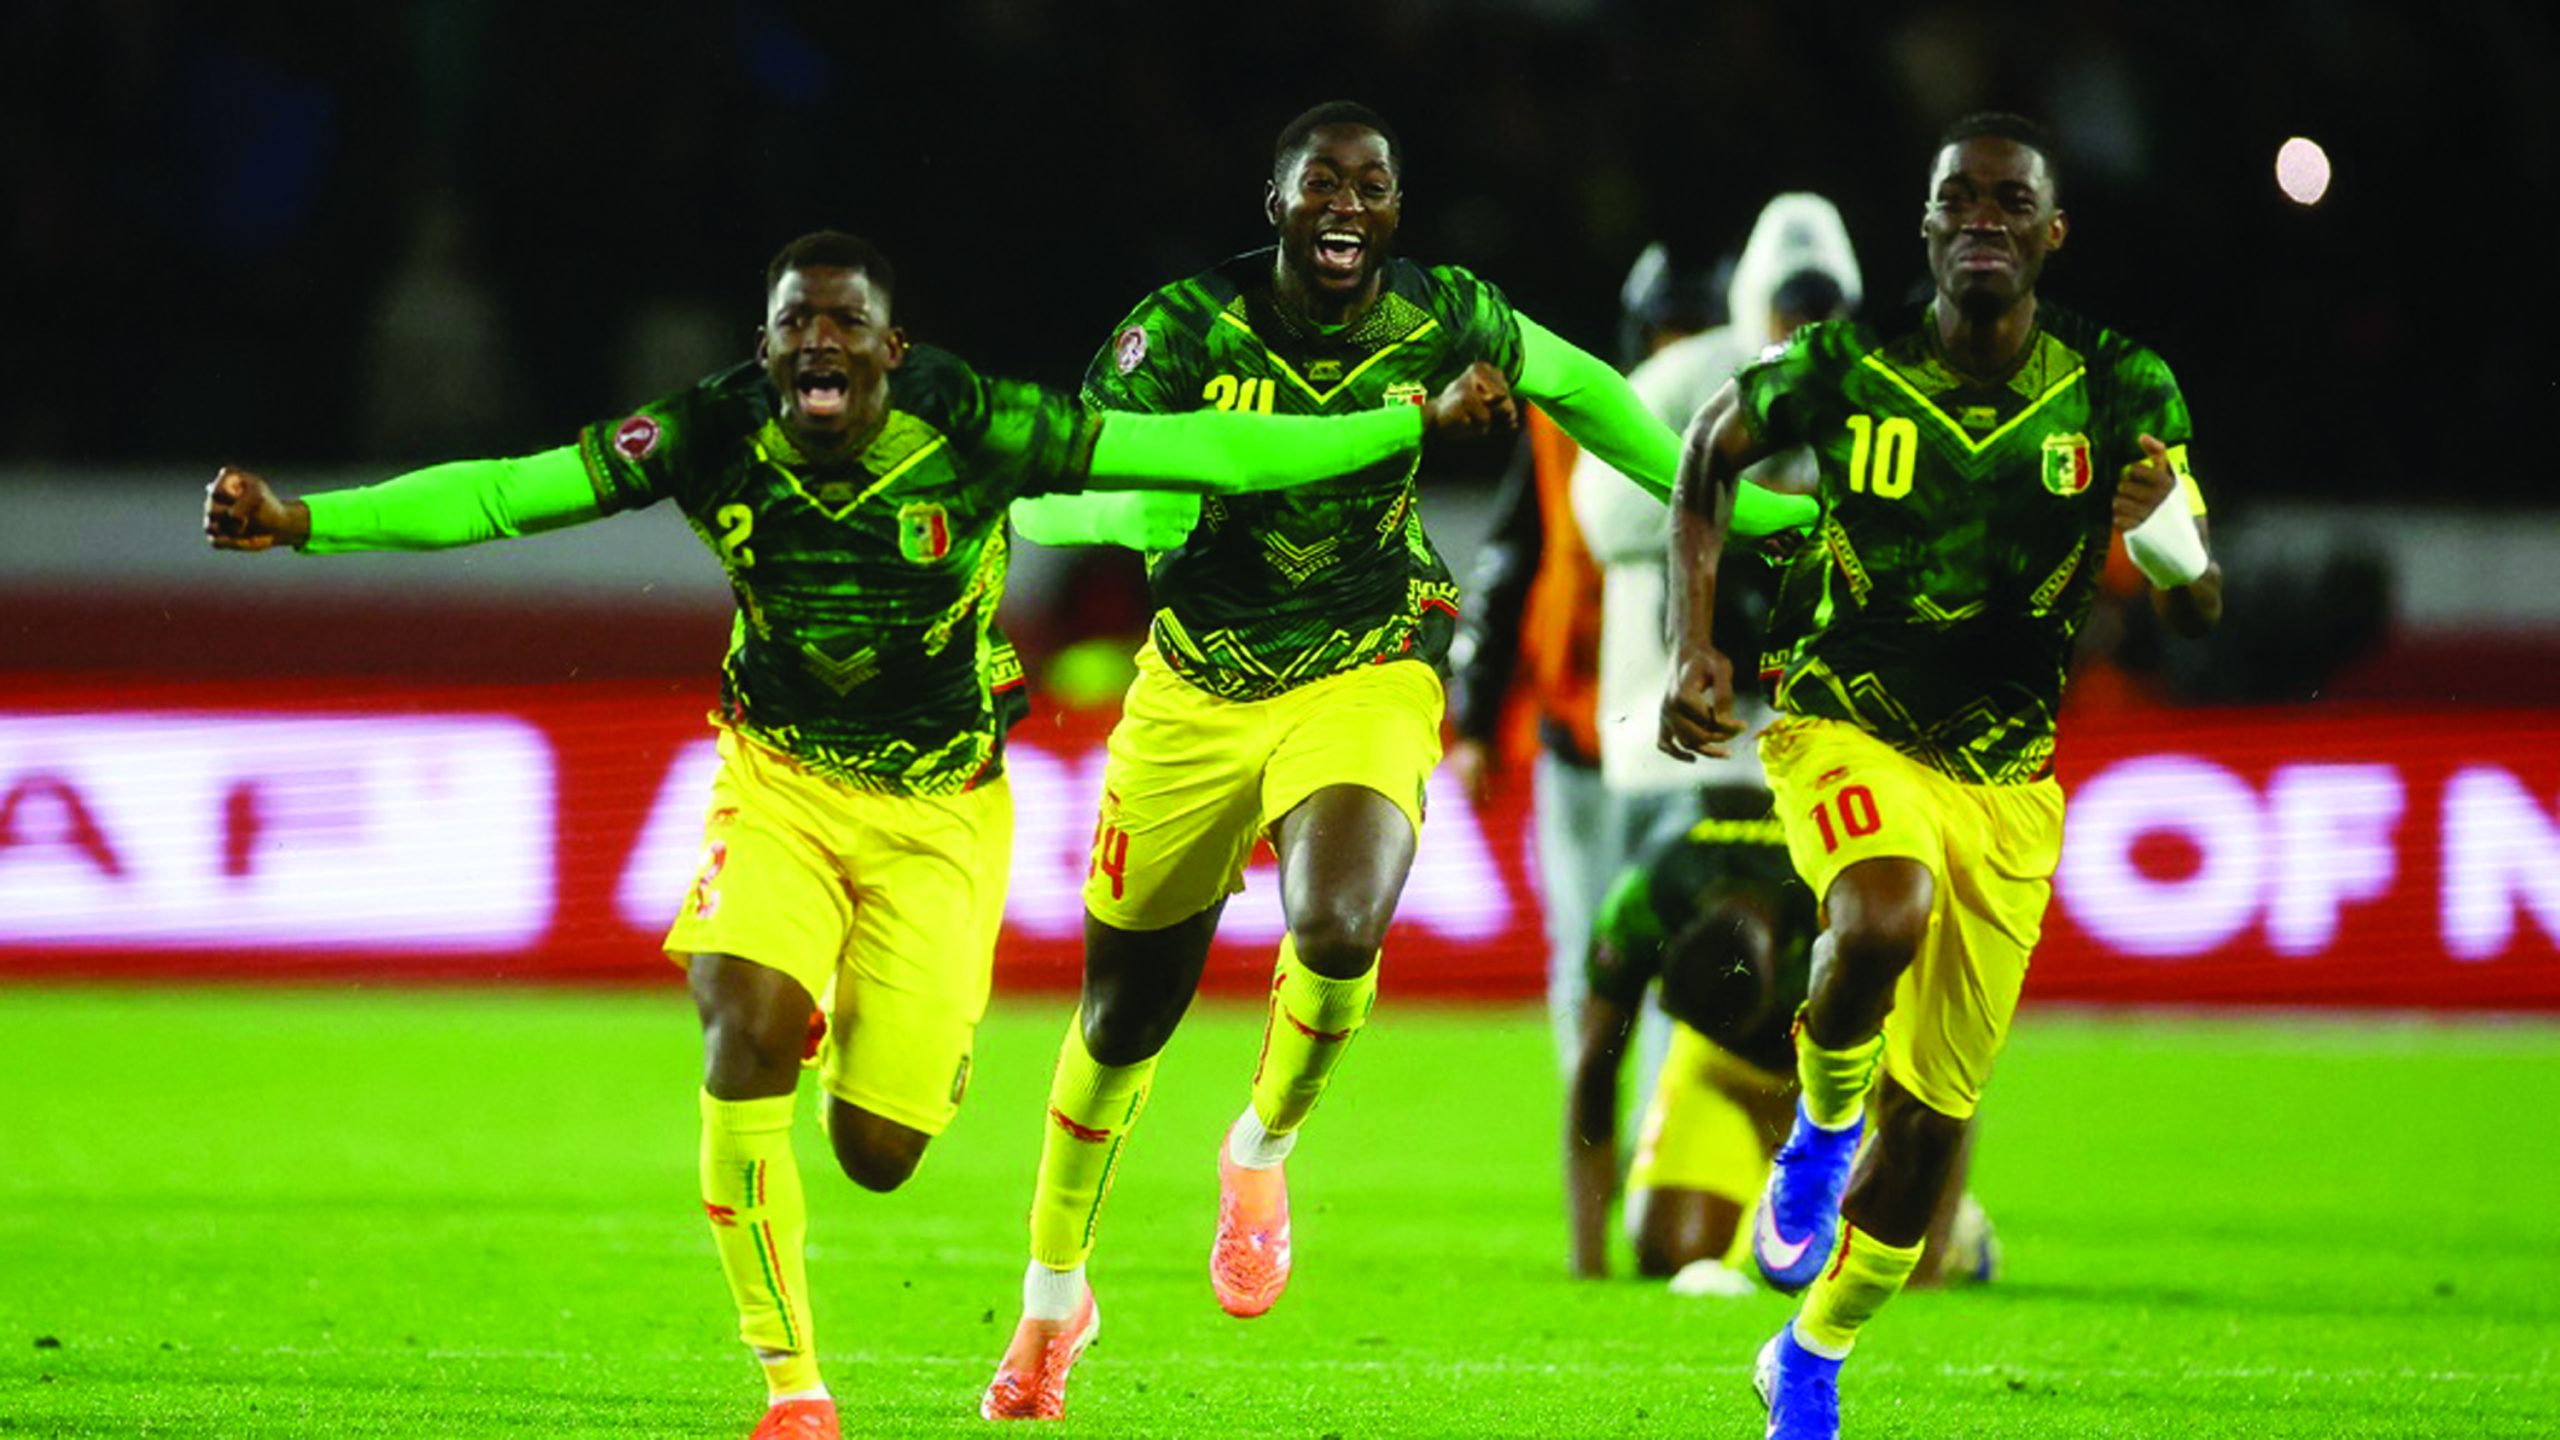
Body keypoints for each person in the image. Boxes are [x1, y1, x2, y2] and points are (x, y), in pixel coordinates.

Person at [201, 228, 1520, 1440]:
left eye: (844, 323)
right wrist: (306, 523)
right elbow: (507, 493)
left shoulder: (979, 423)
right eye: (795, 323)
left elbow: (1222, 455)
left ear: (892, 348)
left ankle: (848, 1017)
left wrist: (1399, 423)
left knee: (879, 1155)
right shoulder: (709, 431)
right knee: (740, 1029)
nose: (818, 341)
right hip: (774, 782)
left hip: (939, 810)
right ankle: (794, 1388)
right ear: (766, 347)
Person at [983, 101, 1818, 1422]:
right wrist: (1154, 500)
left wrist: (1764, 510)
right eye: (1320, 183)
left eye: (1371, 187)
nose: (1346, 205)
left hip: (1364, 667)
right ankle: (1053, 1295)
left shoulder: (1445, 314)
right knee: (1121, 1020)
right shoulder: (1183, 330)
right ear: (1276, 203)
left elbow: (1591, 396)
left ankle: (1261, 1145)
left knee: (1337, 923)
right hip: (1195, 691)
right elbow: (1075, 477)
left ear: (1393, 213)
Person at [1658, 114, 2223, 1439]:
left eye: (2008, 202)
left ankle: (1809, 1354)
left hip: (2009, 787)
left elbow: (2200, 609)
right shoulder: (1844, 365)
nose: (1981, 219)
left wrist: (2171, 548)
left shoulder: (2120, 387)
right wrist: (1694, 644)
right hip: (1844, 726)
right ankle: (1817, 1132)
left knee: (1929, 1133)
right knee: (1879, 912)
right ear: (1922, 228)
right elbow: (1705, 453)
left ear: (2052, 231)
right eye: (1956, 199)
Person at [1568, 198, 1864, 1131]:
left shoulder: (1869, 393)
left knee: (1814, 970)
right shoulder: (1686, 381)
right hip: (1669, 729)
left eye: (1822, 308)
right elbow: (1602, 512)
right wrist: (1752, 509)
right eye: (1790, 304)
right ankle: (1665, 1148)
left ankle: (1806, 1163)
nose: (1803, 326)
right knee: (1668, 951)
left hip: (1805, 731)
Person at [1444, 241, 1726, 1081]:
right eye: (1669, 331)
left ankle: (1655, 1149)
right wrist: (1475, 719)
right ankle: (1593, 1144)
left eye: (1693, 333)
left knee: (1681, 958)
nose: (1679, 351)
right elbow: (1510, 563)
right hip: (1579, 734)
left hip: (1688, 747)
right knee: (1584, 957)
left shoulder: (1747, 437)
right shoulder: (1568, 424)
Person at [1563, 794, 1996, 1294]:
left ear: (1779, 973)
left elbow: (1943, 1071)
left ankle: (1956, 1227)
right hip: (1721, 1075)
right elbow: (1594, 1072)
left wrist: (1926, 1262)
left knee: (1854, 1265)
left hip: (1848, 1076)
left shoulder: (1850, 900)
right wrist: (1588, 1261)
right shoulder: (1643, 899)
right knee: (1670, 1252)